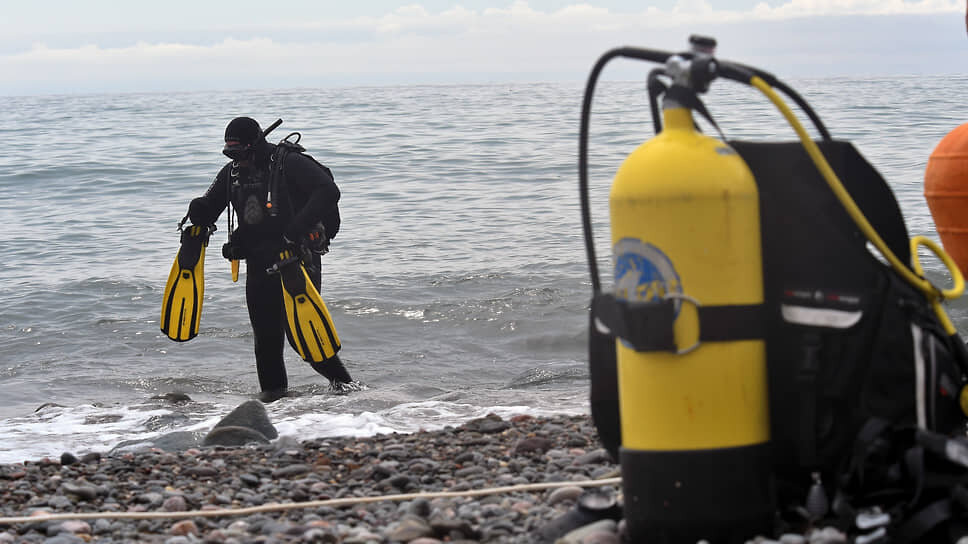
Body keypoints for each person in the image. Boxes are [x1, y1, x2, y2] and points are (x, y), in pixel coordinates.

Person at [186, 116, 353, 402]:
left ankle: (348, 391)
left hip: (297, 260)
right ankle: (275, 404)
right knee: (265, 342)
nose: (238, 160)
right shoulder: (233, 173)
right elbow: (210, 208)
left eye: (241, 154)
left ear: (257, 145)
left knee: (303, 339)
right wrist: (198, 212)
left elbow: (328, 191)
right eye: (231, 154)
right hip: (259, 264)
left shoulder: (289, 163)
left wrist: (295, 230)